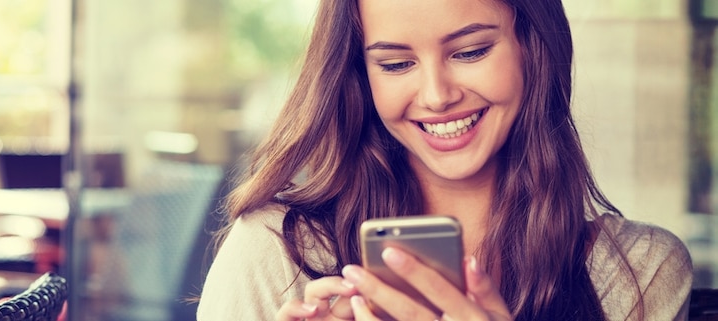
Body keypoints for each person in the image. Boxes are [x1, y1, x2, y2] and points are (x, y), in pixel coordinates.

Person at [197, 0, 693, 319]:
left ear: (534, 47)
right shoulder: (267, 251)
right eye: (396, 64)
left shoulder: (639, 271)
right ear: (361, 76)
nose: (436, 96)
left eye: (471, 51)